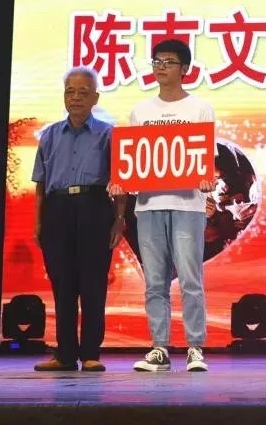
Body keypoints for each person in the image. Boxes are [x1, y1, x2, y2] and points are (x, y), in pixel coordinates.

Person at [109, 38, 215, 372]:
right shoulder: (141, 111)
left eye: (168, 62)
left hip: (187, 205)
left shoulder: (200, 108)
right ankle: (160, 347)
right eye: (157, 61)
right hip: (148, 205)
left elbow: (206, 158)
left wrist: (206, 178)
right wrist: (120, 182)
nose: (161, 67)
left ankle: (195, 347)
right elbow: (132, 161)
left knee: (190, 278)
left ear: (185, 69)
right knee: (155, 280)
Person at [32, 66, 125, 372]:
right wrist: (38, 222)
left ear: (95, 97)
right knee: (63, 284)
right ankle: (64, 354)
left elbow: (120, 181)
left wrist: (119, 218)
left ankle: (90, 354)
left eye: (83, 92)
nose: (75, 98)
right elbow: (41, 184)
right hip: (57, 209)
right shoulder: (49, 135)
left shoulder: (108, 134)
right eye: (70, 92)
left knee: (93, 283)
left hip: (94, 207)